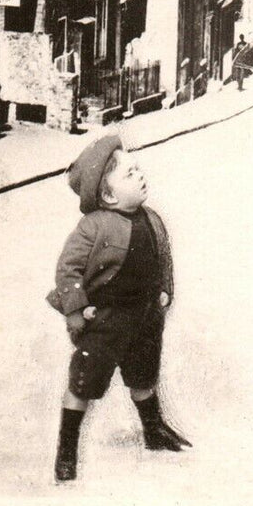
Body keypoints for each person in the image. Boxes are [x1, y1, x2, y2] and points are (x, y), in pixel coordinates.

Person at [48, 133, 190, 482]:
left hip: (143, 316)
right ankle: (66, 451)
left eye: (137, 168)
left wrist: (165, 292)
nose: (140, 175)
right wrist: (76, 310)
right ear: (108, 195)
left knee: (143, 375)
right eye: (129, 174)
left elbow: (163, 257)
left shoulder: (152, 218)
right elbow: (69, 269)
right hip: (106, 321)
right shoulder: (93, 227)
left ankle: (154, 431)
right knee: (84, 382)